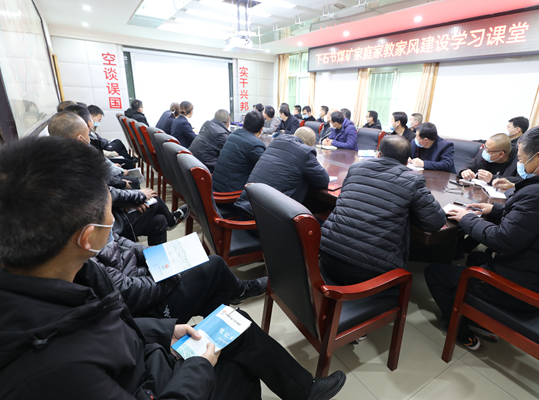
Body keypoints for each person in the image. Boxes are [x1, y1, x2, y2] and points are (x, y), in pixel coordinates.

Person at [0, 136, 347, 400]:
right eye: (109, 205)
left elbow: (113, 324)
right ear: (88, 237)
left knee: (233, 323)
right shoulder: (58, 368)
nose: (115, 213)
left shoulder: (68, 273)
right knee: (240, 374)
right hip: (156, 381)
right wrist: (198, 367)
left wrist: (163, 331)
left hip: (148, 353)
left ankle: (304, 389)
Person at [426, 124, 539, 350]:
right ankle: (477, 316)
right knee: (476, 259)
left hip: (523, 291)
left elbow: (502, 239)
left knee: (435, 274)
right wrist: (494, 210)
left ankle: (461, 331)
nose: (519, 162)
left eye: (522, 157)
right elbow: (538, 221)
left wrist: (466, 217)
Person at [48, 112, 189, 245]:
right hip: (106, 225)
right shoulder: (71, 166)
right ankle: (171, 221)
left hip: (109, 212)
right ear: (80, 139)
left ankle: (159, 258)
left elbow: (104, 190)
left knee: (159, 221)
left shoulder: (59, 159)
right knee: (154, 198)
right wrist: (137, 197)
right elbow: (105, 194)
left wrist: (130, 199)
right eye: (87, 136)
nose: (89, 139)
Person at [320, 136, 445, 285]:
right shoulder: (412, 180)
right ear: (407, 162)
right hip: (369, 272)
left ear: (378, 154)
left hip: (327, 254)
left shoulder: (355, 168)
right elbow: (435, 221)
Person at [92, 232, 267, 319]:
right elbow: (129, 292)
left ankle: (217, 340)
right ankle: (240, 290)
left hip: (143, 279)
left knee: (215, 287)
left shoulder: (98, 225)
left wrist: (157, 255)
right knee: (214, 264)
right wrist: (171, 275)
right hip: (144, 311)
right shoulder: (89, 262)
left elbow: (122, 242)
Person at [235, 127, 329, 216]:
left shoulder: (276, 141)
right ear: (309, 144)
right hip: (265, 218)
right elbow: (324, 180)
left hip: (245, 207)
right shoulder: (305, 152)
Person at [61, 106, 136, 189]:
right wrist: (122, 181)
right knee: (133, 180)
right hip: (102, 186)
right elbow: (99, 177)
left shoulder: (62, 150)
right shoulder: (81, 149)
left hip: (103, 180)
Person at [213, 110, 267, 193]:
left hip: (215, 187)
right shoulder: (256, 144)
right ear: (261, 130)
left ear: (244, 123)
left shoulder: (233, 135)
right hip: (231, 193)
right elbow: (265, 170)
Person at [189, 109, 231, 173]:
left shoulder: (207, 125)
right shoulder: (221, 134)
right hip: (205, 169)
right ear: (228, 123)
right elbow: (230, 154)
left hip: (192, 162)